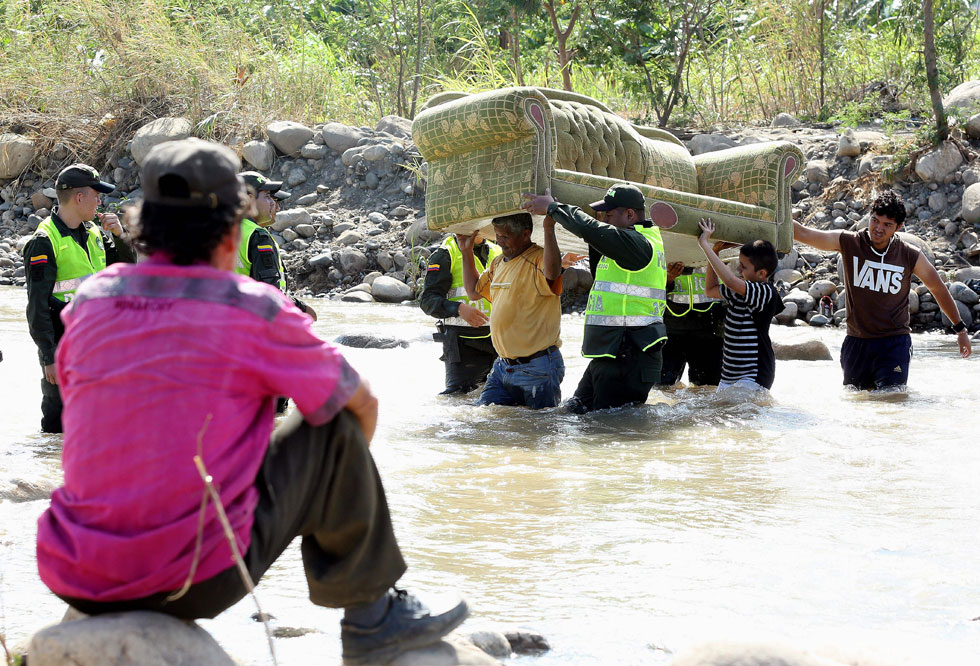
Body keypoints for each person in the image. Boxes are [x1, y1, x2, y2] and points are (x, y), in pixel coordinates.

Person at [35, 139, 468, 664]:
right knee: (335, 424)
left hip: (74, 571)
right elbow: (363, 403)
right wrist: (306, 482)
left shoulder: (91, 301)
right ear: (231, 228)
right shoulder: (249, 308)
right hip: (194, 578)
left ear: (142, 222)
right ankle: (373, 619)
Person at [793, 189, 971, 389]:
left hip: (893, 343)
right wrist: (773, 213)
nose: (878, 228)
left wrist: (960, 330)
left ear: (899, 227)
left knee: (892, 399)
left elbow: (938, 289)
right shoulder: (850, 242)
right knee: (858, 404)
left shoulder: (909, 255)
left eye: (887, 225)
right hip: (856, 342)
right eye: (875, 220)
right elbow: (804, 233)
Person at [522, 184, 667, 412]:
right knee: (573, 412)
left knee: (606, 430)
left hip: (629, 355)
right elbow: (597, 239)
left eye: (609, 214)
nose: (604, 219)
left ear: (629, 215)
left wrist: (553, 207)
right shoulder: (627, 244)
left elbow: (592, 230)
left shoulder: (637, 244)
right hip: (613, 351)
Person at [22, 163, 136, 433]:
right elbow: (36, 307)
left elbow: (128, 271)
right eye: (96, 195)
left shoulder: (95, 232)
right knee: (58, 425)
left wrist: (120, 236)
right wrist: (48, 356)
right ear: (78, 197)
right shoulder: (44, 241)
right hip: (63, 347)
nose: (100, 201)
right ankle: (47, 473)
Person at [456, 212, 564, 409]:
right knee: (481, 419)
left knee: (541, 429)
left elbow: (553, 272)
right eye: (497, 236)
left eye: (505, 236)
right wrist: (466, 252)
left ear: (525, 234)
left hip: (538, 367)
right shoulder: (498, 263)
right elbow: (473, 292)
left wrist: (549, 229)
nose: (499, 242)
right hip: (503, 367)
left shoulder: (538, 258)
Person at [697, 218, 783, 391]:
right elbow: (710, 290)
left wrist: (704, 244)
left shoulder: (765, 292)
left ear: (761, 273)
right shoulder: (738, 291)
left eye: (743, 267)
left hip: (754, 376)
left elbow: (729, 280)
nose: (738, 270)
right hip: (729, 376)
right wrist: (715, 251)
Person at [419, 231, 501, 394]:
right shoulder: (446, 253)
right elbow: (427, 301)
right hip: (462, 345)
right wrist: (458, 309)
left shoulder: (497, 251)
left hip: (498, 342)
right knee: (457, 398)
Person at [237, 171, 317, 321]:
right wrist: (299, 308)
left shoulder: (219, 229)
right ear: (248, 199)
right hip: (252, 325)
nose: (274, 204)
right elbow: (269, 293)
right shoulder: (257, 236)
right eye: (267, 196)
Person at [658, 262, 725, 387]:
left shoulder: (717, 245)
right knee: (663, 386)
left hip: (710, 323)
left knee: (709, 388)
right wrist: (668, 278)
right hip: (672, 323)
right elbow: (650, 286)